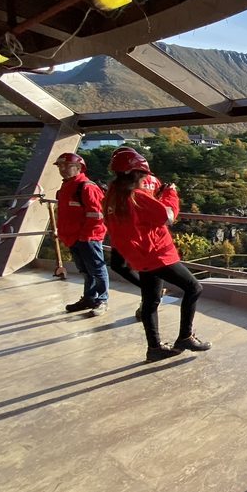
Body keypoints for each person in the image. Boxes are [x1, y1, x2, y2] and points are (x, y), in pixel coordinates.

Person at [104, 150, 211, 362]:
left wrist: (156, 199)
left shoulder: (113, 196)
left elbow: (137, 219)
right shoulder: (137, 196)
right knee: (194, 288)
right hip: (156, 254)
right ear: (137, 173)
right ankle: (185, 337)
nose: (146, 178)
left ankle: (154, 348)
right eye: (144, 174)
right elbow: (168, 216)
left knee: (151, 300)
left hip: (140, 257)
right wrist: (170, 194)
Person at [107, 147, 171, 321]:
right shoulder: (153, 180)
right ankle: (148, 302)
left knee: (130, 268)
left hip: (132, 233)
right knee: (145, 271)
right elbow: (160, 202)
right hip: (146, 234)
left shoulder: (120, 186)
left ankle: (147, 304)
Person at [54, 152, 109, 316]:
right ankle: (89, 298)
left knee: (97, 269)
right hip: (74, 237)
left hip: (88, 237)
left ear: (79, 167)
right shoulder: (67, 187)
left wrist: (86, 236)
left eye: (66, 166)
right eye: (60, 166)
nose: (62, 169)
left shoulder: (86, 187)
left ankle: (102, 300)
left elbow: (98, 215)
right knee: (85, 270)